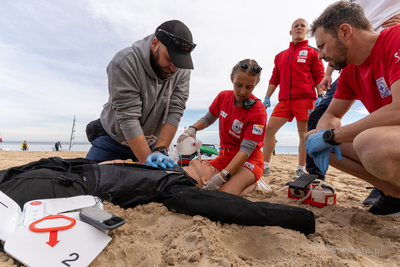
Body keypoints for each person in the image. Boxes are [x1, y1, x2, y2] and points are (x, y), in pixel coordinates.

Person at [0, 157, 316, 236]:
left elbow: (230, 207)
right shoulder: (169, 170)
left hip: (67, 187)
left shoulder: (176, 187)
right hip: (64, 168)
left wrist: (301, 218)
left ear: (204, 178)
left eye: (208, 163)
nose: (207, 159)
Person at [306, 1, 400, 215]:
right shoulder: (350, 72)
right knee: (315, 138)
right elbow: (332, 113)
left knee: (370, 144)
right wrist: (324, 135)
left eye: (322, 45)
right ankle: (394, 194)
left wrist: (332, 136)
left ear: (345, 32)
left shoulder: (395, 38)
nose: (320, 55)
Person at [85, 20, 196, 169]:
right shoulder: (124, 63)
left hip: (151, 143)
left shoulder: (181, 69)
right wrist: (147, 164)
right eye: (170, 59)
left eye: (179, 62)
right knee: (88, 179)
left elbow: (175, 110)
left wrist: (160, 149)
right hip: (113, 140)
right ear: (155, 43)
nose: (174, 68)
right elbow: (128, 117)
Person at [177, 59, 269, 196]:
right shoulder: (223, 97)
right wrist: (192, 129)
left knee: (225, 194)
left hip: (248, 161)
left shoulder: (258, 111)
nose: (243, 91)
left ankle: (254, 184)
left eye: (249, 87)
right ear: (232, 79)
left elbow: (246, 149)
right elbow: (208, 119)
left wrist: (223, 176)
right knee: (192, 181)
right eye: (238, 85)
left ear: (256, 84)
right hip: (224, 157)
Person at [262, 18, 325, 179]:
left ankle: (300, 167)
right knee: (269, 129)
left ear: (306, 31)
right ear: (290, 31)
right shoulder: (281, 56)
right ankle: (265, 165)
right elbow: (275, 78)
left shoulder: (313, 52)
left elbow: (319, 75)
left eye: (302, 26)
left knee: (303, 133)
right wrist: (267, 96)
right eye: (296, 26)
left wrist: (320, 95)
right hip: (284, 100)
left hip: (305, 98)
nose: (299, 28)